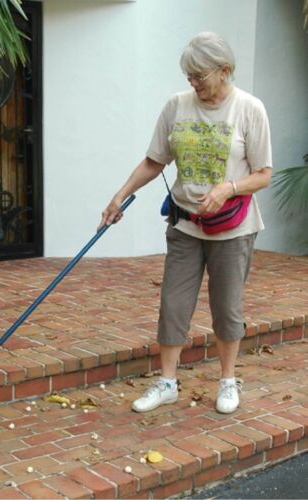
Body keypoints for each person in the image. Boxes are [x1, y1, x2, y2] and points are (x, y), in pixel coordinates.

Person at [99, 32, 272, 414]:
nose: (193, 83)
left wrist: (228, 188)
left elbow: (262, 174)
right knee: (173, 305)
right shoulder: (177, 106)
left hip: (233, 229)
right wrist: (118, 196)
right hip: (184, 224)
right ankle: (167, 383)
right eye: (189, 76)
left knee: (227, 307)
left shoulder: (248, 109)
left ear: (224, 71)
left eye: (200, 75)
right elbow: (154, 160)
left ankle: (227, 380)